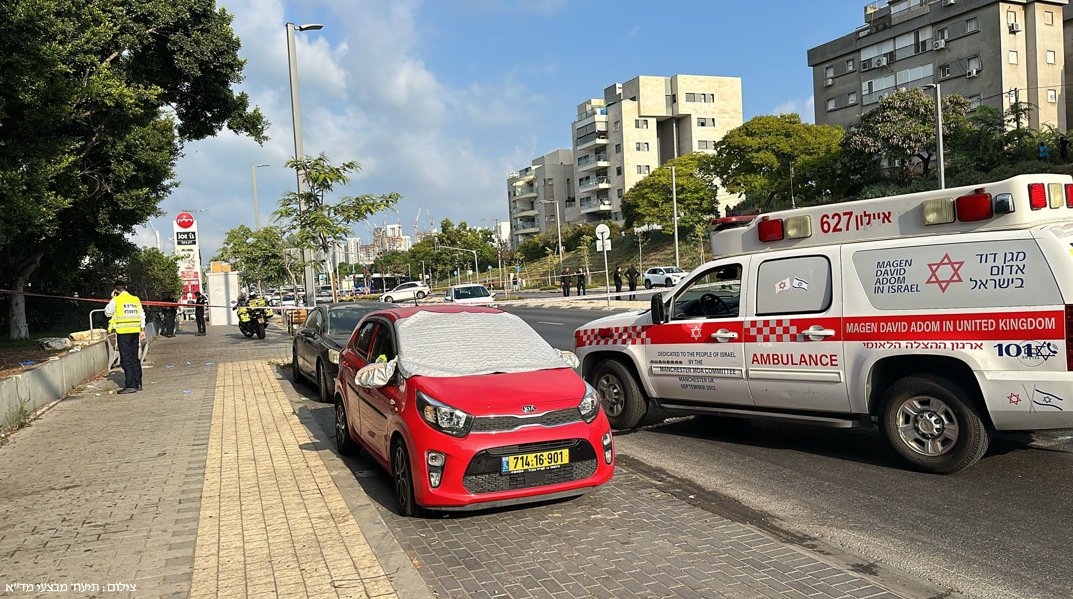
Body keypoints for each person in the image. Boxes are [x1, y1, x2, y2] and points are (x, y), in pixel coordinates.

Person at [105, 281, 145, 394]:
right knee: (134, 357)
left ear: (116, 290)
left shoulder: (116, 300)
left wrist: (112, 298)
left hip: (123, 332)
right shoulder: (135, 299)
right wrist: (142, 329)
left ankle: (131, 384)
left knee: (126, 358)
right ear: (126, 287)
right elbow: (142, 315)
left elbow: (107, 312)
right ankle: (138, 383)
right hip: (135, 331)